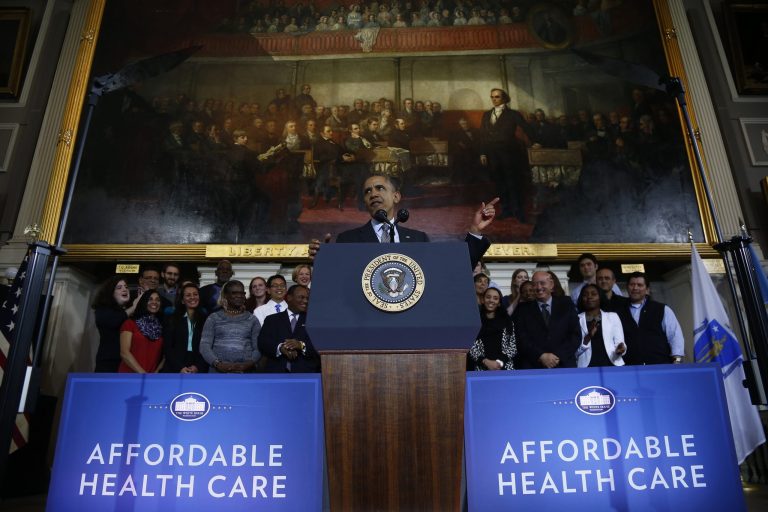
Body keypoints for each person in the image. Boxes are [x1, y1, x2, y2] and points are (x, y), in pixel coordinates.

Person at [309, 174, 498, 271]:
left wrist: (475, 230)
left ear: (396, 196)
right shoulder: (348, 240)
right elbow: (339, 282)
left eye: (380, 188)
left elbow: (451, 271)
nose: (373, 194)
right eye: (368, 192)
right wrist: (324, 263)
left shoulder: (418, 239)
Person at [479, 88, 534, 221]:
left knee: (513, 182)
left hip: (509, 153)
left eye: (497, 97)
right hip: (492, 154)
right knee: (499, 183)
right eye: (492, 97)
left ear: (504, 98)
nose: (494, 99)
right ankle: (506, 210)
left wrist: (536, 142)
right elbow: (482, 135)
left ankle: (518, 211)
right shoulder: (487, 114)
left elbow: (527, 128)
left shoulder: (513, 114)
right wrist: (482, 153)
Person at [514, 270, 581, 369]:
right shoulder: (522, 309)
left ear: (551, 285)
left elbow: (575, 335)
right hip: (534, 366)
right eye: (535, 284)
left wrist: (558, 356)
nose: (539, 287)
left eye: (542, 283)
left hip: (563, 364)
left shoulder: (566, 304)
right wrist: (541, 356)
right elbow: (521, 339)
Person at [616, 272, 685, 365]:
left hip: (660, 365)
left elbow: (675, 336)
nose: (635, 288)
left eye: (639, 285)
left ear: (647, 290)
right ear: (627, 287)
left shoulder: (662, 309)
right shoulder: (617, 312)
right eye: (632, 284)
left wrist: (677, 360)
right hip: (630, 367)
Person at [200, 280, 261, 373]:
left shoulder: (252, 319)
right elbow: (204, 346)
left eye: (242, 293)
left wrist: (248, 364)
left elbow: (258, 348)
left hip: (245, 372)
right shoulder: (213, 318)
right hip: (218, 371)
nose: (239, 296)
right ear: (225, 296)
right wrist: (217, 364)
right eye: (234, 293)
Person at [257, 284, 320, 373]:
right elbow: (263, 343)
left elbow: (319, 345)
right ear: (289, 297)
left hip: (305, 373)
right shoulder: (272, 320)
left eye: (307, 298)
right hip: (276, 373)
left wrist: (301, 345)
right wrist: (281, 348)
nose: (305, 301)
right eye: (301, 297)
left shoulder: (314, 320)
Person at [92, 276, 140, 372]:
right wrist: (133, 308)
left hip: (128, 363)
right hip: (109, 364)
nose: (124, 289)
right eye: (119, 287)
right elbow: (114, 321)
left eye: (126, 287)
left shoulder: (130, 312)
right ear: (110, 293)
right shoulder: (102, 310)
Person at [574, 284, 627, 367]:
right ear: (581, 298)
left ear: (600, 297)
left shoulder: (612, 316)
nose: (589, 297)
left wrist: (620, 349)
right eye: (585, 295)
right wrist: (588, 337)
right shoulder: (576, 319)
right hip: (586, 367)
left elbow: (620, 344)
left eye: (594, 294)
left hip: (612, 364)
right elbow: (575, 353)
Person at [162, 283, 209, 373]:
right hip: (175, 367)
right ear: (182, 300)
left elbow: (207, 347)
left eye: (195, 294)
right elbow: (167, 347)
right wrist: (179, 367)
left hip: (198, 367)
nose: (192, 297)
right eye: (188, 295)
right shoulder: (172, 319)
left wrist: (197, 367)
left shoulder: (206, 320)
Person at [467, 287, 517, 371]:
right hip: (481, 369)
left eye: (495, 298)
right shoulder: (475, 321)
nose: (491, 300)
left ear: (499, 303)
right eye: (488, 297)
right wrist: (485, 362)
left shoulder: (507, 321)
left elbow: (512, 347)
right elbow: (471, 346)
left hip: (505, 367)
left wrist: (499, 362)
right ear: (483, 300)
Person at [118, 291, 165, 373]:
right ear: (144, 302)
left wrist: (156, 372)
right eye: (150, 299)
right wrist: (143, 374)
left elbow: (165, 355)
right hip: (129, 375)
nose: (154, 302)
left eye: (157, 300)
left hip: (150, 377)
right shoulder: (130, 323)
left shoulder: (162, 326)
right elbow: (124, 353)